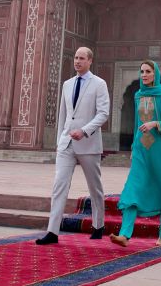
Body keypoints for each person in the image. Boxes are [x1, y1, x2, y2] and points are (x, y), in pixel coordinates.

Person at [36, 46, 111, 245]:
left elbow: (103, 113)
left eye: (81, 58)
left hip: (88, 143)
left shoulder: (99, 84)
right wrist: (61, 139)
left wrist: (85, 130)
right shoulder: (67, 84)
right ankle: (53, 231)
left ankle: (98, 225)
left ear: (90, 61)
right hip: (67, 142)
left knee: (94, 187)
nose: (77, 61)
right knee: (59, 186)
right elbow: (64, 114)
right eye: (76, 58)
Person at [109, 59, 161, 247]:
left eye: (147, 71)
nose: (143, 75)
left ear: (155, 74)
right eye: (142, 71)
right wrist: (135, 147)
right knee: (132, 189)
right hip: (142, 150)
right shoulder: (138, 95)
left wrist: (156, 124)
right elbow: (138, 125)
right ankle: (125, 235)